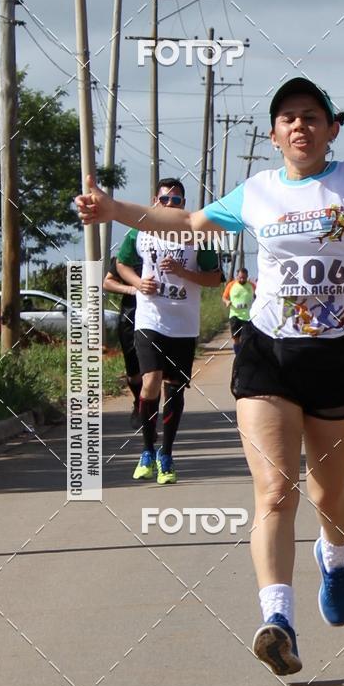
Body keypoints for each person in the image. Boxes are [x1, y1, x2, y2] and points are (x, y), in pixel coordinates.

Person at [76, 77, 344, 674]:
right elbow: (188, 221)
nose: (300, 125)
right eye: (288, 117)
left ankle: (335, 558)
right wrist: (115, 210)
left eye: (312, 115)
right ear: (274, 133)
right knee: (275, 491)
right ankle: (277, 619)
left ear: (332, 128)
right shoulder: (257, 192)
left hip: (335, 357)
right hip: (267, 354)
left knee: (328, 494)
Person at [115, 178, 221, 484]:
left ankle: (166, 454)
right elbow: (121, 264)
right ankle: (147, 451)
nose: (171, 205)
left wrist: (184, 272)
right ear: (155, 201)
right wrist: (137, 284)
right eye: (165, 200)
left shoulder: (197, 235)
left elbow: (214, 279)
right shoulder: (140, 230)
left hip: (183, 323)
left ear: (183, 205)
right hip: (150, 319)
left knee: (174, 388)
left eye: (177, 201)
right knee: (150, 382)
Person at [103, 255, 142, 428]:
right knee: (134, 372)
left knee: (154, 370)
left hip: (160, 318)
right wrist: (131, 289)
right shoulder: (127, 254)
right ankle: (139, 402)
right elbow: (108, 282)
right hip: (131, 316)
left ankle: (149, 411)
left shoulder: (166, 250)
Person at [222, 266, 256, 353]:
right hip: (235, 315)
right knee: (236, 338)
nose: (242, 279)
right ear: (237, 276)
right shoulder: (231, 285)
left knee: (246, 338)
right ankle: (238, 355)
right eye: (240, 277)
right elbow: (224, 297)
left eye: (244, 278)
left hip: (248, 316)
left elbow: (258, 296)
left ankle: (244, 355)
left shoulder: (252, 286)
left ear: (247, 276)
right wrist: (227, 302)